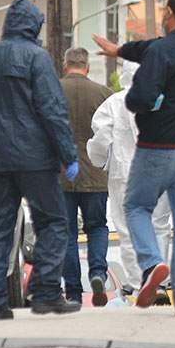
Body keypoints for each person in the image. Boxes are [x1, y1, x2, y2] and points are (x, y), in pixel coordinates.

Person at [91, 0, 175, 317]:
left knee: (135, 205)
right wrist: (120, 50)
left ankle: (151, 264)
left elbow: (140, 96)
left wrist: (140, 106)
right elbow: (151, 47)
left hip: (161, 146)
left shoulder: (161, 52)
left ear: (169, 13)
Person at [0, 0, 81, 319]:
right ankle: (45, 293)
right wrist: (68, 156)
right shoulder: (37, 59)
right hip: (35, 159)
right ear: (32, 27)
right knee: (53, 222)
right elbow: (53, 111)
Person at [87, 60, 172, 297]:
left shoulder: (113, 104)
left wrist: (99, 159)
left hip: (124, 174)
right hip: (159, 172)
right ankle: (159, 280)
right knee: (159, 226)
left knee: (127, 231)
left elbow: (101, 139)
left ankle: (138, 283)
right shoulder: (164, 101)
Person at [58, 48, 112, 305]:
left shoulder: (51, 92)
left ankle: (73, 292)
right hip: (96, 174)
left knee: (66, 233)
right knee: (98, 226)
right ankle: (98, 272)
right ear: (87, 67)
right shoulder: (104, 95)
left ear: (65, 65)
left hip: (61, 176)